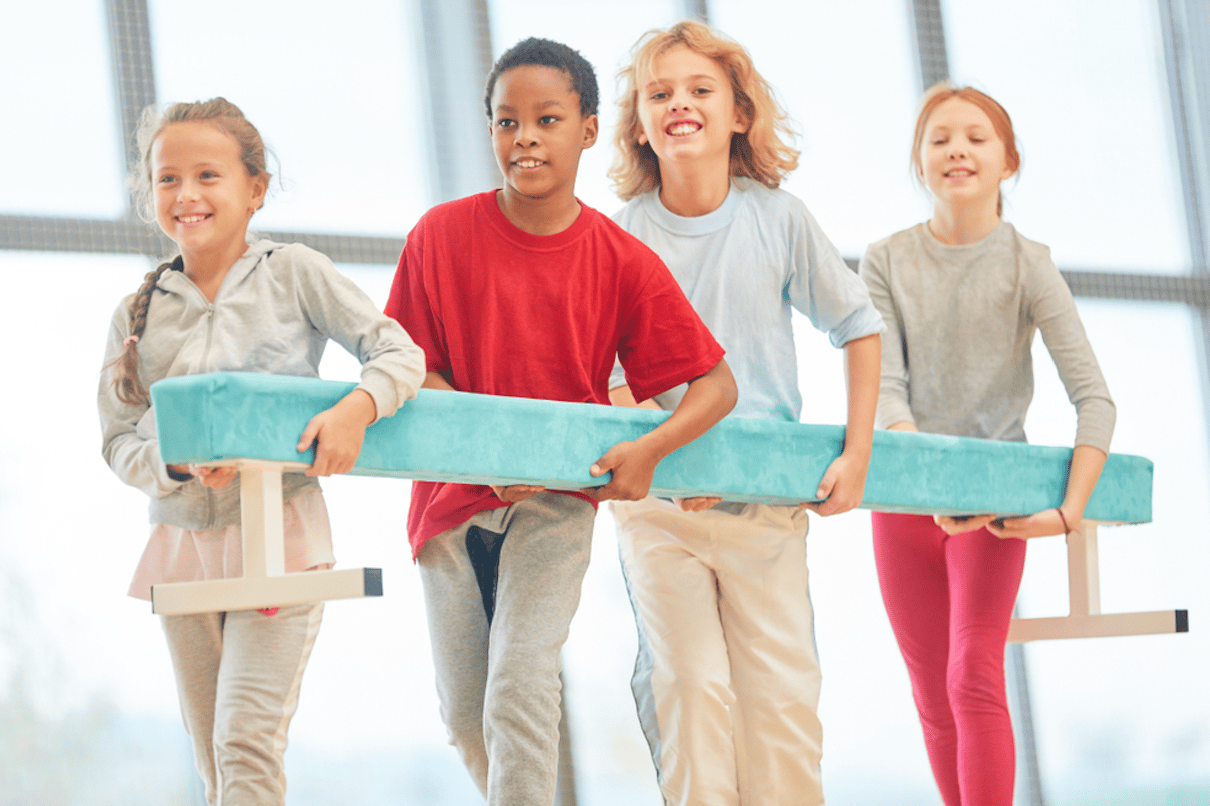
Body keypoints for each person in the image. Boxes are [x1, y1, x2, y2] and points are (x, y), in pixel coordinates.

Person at [383, 36, 737, 806]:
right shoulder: (437, 237)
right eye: (507, 123)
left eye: (547, 119)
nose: (526, 138)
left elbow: (715, 386)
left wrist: (650, 451)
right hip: (448, 506)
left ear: (586, 128)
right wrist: (483, 455)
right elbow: (413, 367)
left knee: (518, 685)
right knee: (467, 717)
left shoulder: (619, 259)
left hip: (556, 508)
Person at [98, 97, 426, 806]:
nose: (186, 194)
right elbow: (118, 438)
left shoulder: (295, 271)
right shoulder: (136, 312)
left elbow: (398, 352)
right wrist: (175, 464)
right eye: (167, 179)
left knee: (244, 741)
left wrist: (355, 408)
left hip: (283, 536)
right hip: (181, 548)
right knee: (214, 758)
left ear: (255, 189)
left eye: (207, 175)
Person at [606, 20, 883, 806]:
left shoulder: (778, 219)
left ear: (738, 115)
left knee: (782, 708)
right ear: (639, 123)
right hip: (662, 516)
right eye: (659, 93)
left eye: (700, 90)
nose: (679, 104)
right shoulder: (621, 239)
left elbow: (859, 327)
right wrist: (673, 457)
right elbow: (609, 381)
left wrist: (855, 454)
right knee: (690, 694)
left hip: (765, 514)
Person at [859, 83, 1115, 806]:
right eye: (939, 139)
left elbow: (1095, 399)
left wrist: (1064, 515)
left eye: (976, 137)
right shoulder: (883, 260)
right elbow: (886, 390)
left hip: (997, 505)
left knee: (973, 673)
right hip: (905, 498)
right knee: (932, 693)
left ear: (1010, 162)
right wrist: (924, 475)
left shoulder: (1029, 263)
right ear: (919, 163)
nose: (957, 150)